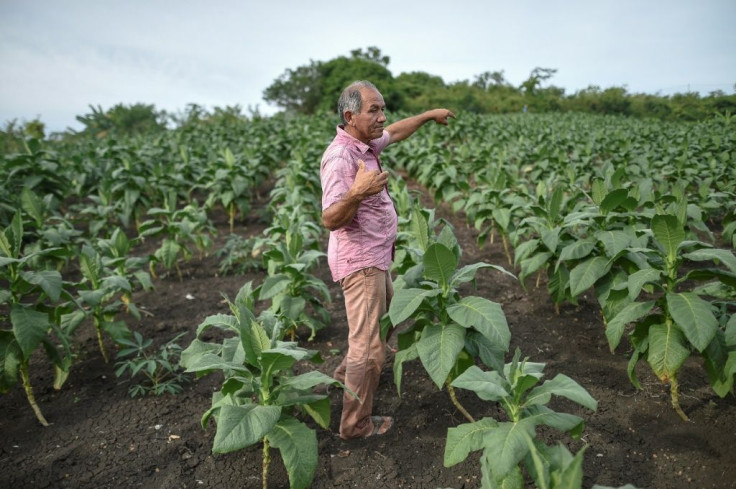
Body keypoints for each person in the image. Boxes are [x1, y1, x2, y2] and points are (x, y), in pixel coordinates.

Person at [320, 80, 455, 439]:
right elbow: (331, 218)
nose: (383, 117)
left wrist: (427, 116)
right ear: (350, 116)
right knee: (369, 347)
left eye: (382, 108)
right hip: (361, 262)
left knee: (389, 320)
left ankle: (342, 381)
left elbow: (395, 132)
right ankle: (355, 424)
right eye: (374, 110)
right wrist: (357, 193)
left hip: (376, 257)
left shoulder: (364, 142)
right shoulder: (341, 157)